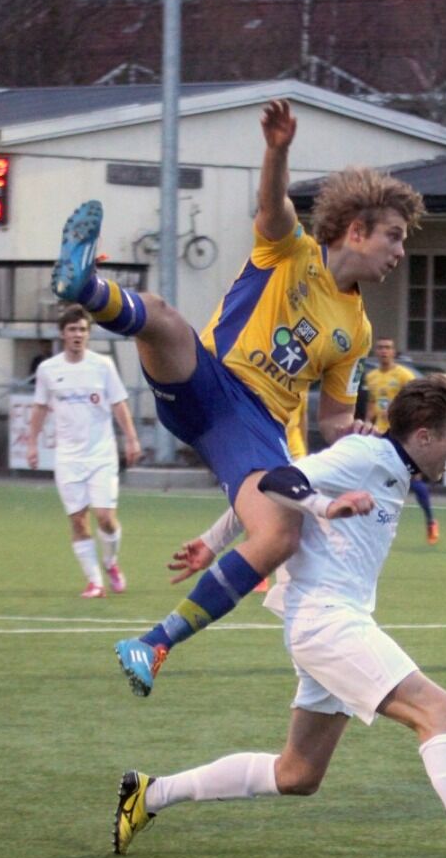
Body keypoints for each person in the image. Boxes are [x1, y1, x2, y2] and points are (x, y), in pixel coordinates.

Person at [112, 376, 446, 858]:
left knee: (297, 774)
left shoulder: (389, 463)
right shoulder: (368, 455)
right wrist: (323, 508)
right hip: (327, 623)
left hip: (331, 624)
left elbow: (283, 487)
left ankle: (150, 793)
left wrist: (214, 541)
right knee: (440, 711)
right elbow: (275, 480)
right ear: (424, 435)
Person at [48, 99, 422, 696]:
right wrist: (276, 150)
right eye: (394, 238)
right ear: (356, 231)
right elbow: (273, 207)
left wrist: (364, 439)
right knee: (165, 320)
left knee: (277, 536)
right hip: (208, 379)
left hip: (247, 428)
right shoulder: (291, 251)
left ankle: (153, 644)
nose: (400, 252)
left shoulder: (359, 333)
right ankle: (84, 286)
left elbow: (331, 421)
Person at [26, 304, 142, 597]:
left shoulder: (103, 366)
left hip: (101, 455)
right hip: (68, 457)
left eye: (82, 329)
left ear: (88, 334)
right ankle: (95, 582)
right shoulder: (48, 370)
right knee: (78, 520)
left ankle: (111, 562)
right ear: (63, 334)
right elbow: (40, 407)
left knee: (105, 517)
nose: (77, 334)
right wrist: (31, 443)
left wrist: (131, 438)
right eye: (72, 329)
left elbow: (118, 403)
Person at [363, 337, 439, 544]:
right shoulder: (372, 376)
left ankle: (431, 521)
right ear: (376, 352)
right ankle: (375, 525)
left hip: (402, 435)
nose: (384, 351)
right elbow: (372, 403)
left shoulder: (404, 375)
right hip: (379, 435)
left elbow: (418, 403)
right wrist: (366, 424)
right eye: (380, 348)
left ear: (394, 352)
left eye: (388, 347)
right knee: (374, 480)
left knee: (414, 481)